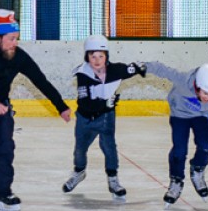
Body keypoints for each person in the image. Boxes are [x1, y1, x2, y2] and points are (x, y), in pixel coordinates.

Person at [0, 9, 72, 211]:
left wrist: (60, 106)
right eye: (10, 39)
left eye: (16, 38)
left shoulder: (17, 56)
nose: (14, 43)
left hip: (1, 105)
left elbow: (40, 80)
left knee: (5, 145)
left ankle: (3, 193)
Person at [60, 35, 147, 201]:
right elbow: (85, 102)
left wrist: (141, 67)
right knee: (80, 148)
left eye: (101, 55)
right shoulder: (82, 74)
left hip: (106, 117)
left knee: (109, 147)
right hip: (85, 118)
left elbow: (129, 69)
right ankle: (79, 172)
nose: (97, 60)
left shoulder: (114, 70)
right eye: (93, 56)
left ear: (107, 56)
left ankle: (113, 180)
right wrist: (104, 104)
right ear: (87, 57)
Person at [145, 63, 208, 209]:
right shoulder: (182, 80)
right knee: (179, 151)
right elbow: (161, 69)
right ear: (197, 86)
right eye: (206, 93)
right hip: (179, 115)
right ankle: (176, 180)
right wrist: (141, 66)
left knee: (206, 148)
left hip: (202, 116)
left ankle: (197, 169)